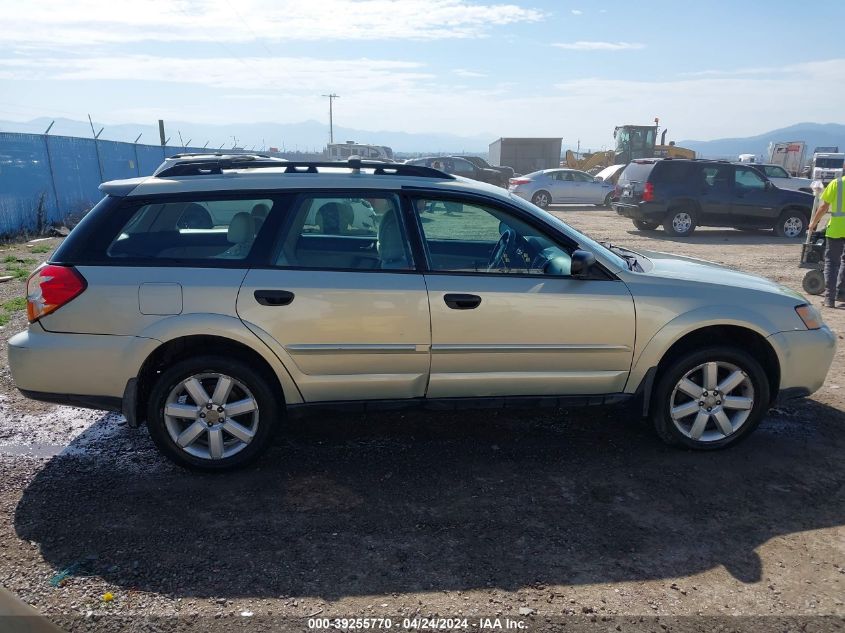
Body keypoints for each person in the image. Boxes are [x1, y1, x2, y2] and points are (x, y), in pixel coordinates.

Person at [809, 168, 845, 308]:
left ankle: (829, 298)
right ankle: (841, 293)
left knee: (832, 262)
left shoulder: (836, 183)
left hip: (836, 228)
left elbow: (824, 206)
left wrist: (814, 222)